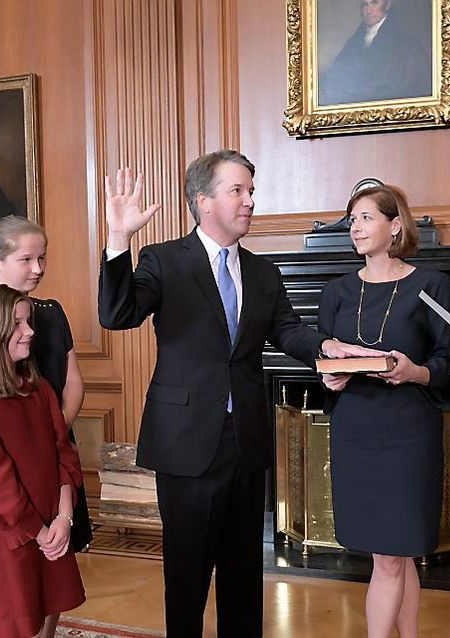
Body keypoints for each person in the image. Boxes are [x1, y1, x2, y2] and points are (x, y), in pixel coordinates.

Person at [98, 150, 381, 637]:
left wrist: (326, 347)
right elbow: (117, 314)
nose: (250, 200)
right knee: (186, 578)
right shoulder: (164, 260)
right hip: (186, 443)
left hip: (246, 441)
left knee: (243, 575)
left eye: (252, 190)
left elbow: (288, 331)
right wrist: (119, 239)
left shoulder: (263, 271)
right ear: (204, 201)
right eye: (238, 190)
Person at [318, 184, 450, 638]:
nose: (355, 227)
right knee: (394, 553)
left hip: (407, 432)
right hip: (356, 430)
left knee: (392, 554)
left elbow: (444, 365)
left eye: (366, 218)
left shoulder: (431, 285)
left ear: (395, 225)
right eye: (352, 220)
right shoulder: (336, 291)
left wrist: (412, 371)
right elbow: (326, 361)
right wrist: (330, 377)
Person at [0, 284, 85, 637]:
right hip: (6, 535)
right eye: (19, 324)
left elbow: (63, 453)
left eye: (29, 321)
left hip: (51, 523)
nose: (30, 332)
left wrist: (64, 519)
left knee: (43, 616)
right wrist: (39, 533)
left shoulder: (39, 390)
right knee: (8, 623)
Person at [0, 214, 93, 552]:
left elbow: (73, 382)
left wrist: (53, 435)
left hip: (57, 456)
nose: (38, 268)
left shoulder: (53, 313)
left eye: (42, 257)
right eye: (26, 259)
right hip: (13, 461)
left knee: (60, 560)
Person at [319, 0, 431, 105]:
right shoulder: (355, 41)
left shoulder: (406, 45)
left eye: (374, 3)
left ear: (387, 5)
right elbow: (336, 75)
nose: (368, 11)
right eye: (365, 5)